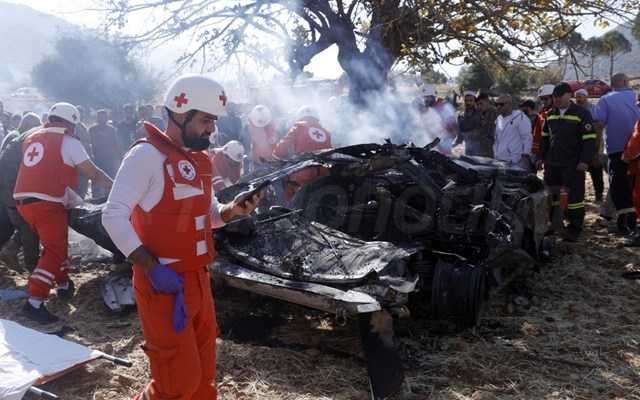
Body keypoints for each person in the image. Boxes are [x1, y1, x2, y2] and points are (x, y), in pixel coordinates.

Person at [102, 74, 262, 400]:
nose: (211, 129)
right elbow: (113, 215)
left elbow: (210, 215)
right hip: (162, 284)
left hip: (198, 279)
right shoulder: (146, 156)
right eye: (205, 120)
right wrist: (151, 267)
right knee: (176, 383)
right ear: (180, 113)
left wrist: (233, 210)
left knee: (203, 380)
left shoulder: (200, 161)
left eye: (213, 121)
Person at [14, 102, 113, 323]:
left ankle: (63, 283)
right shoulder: (68, 142)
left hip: (24, 202)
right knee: (55, 250)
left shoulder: (32, 137)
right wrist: (117, 187)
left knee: (54, 246)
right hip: (47, 203)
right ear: (71, 123)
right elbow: (94, 174)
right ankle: (34, 302)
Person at [538, 82, 597, 242]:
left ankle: (574, 227)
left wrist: (585, 161)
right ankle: (554, 224)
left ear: (569, 95)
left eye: (559, 96)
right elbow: (544, 138)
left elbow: (590, 139)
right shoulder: (550, 114)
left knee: (574, 198)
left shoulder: (581, 113)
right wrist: (541, 158)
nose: (556, 100)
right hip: (553, 163)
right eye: (554, 97)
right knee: (552, 196)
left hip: (573, 163)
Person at [592, 73, 640, 235]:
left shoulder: (606, 100)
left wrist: (596, 149)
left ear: (613, 84)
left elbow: (598, 124)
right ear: (626, 82)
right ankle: (631, 222)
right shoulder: (636, 97)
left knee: (619, 187)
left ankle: (626, 224)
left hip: (617, 150)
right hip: (637, 150)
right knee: (634, 186)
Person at [0, 113, 42, 271]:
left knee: (25, 226)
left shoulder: (16, 137)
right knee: (28, 227)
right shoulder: (18, 139)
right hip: (10, 191)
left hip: (9, 190)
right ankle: (32, 267)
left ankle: (10, 251)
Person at [274, 106, 332, 198]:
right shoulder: (325, 131)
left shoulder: (299, 126)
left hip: (304, 168)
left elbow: (283, 145)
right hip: (324, 170)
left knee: (290, 189)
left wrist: (276, 154)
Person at [575, 88, 604, 203]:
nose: (578, 99)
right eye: (576, 97)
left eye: (580, 96)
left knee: (596, 171)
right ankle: (580, 196)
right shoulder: (574, 110)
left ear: (586, 97)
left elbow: (598, 130)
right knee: (578, 173)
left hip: (592, 144)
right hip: (578, 146)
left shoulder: (593, 109)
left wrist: (596, 150)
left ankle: (599, 195)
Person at [493, 95, 532, 168]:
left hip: (514, 161)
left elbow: (527, 138)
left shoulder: (520, 117)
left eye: (501, 104)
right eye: (496, 104)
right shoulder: (498, 119)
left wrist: (525, 156)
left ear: (509, 104)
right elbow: (497, 139)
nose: (498, 107)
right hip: (499, 160)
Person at [89, 110, 121, 198]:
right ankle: (96, 197)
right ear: (97, 118)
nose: (102, 118)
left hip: (110, 159)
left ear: (107, 118)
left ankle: (109, 197)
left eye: (104, 116)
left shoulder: (112, 129)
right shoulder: (92, 129)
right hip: (97, 158)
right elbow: (90, 143)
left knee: (110, 179)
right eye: (100, 116)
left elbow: (116, 144)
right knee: (96, 178)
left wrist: (118, 158)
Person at [458, 91, 492, 157]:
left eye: (471, 100)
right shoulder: (461, 115)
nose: (468, 103)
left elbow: (484, 130)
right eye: (466, 100)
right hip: (467, 146)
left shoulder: (481, 113)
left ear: (474, 101)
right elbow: (460, 132)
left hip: (480, 147)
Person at [532, 84, 555, 159]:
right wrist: (535, 152)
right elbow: (537, 133)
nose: (543, 101)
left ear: (553, 97)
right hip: (544, 152)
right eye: (541, 99)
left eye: (545, 98)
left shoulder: (559, 112)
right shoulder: (541, 113)